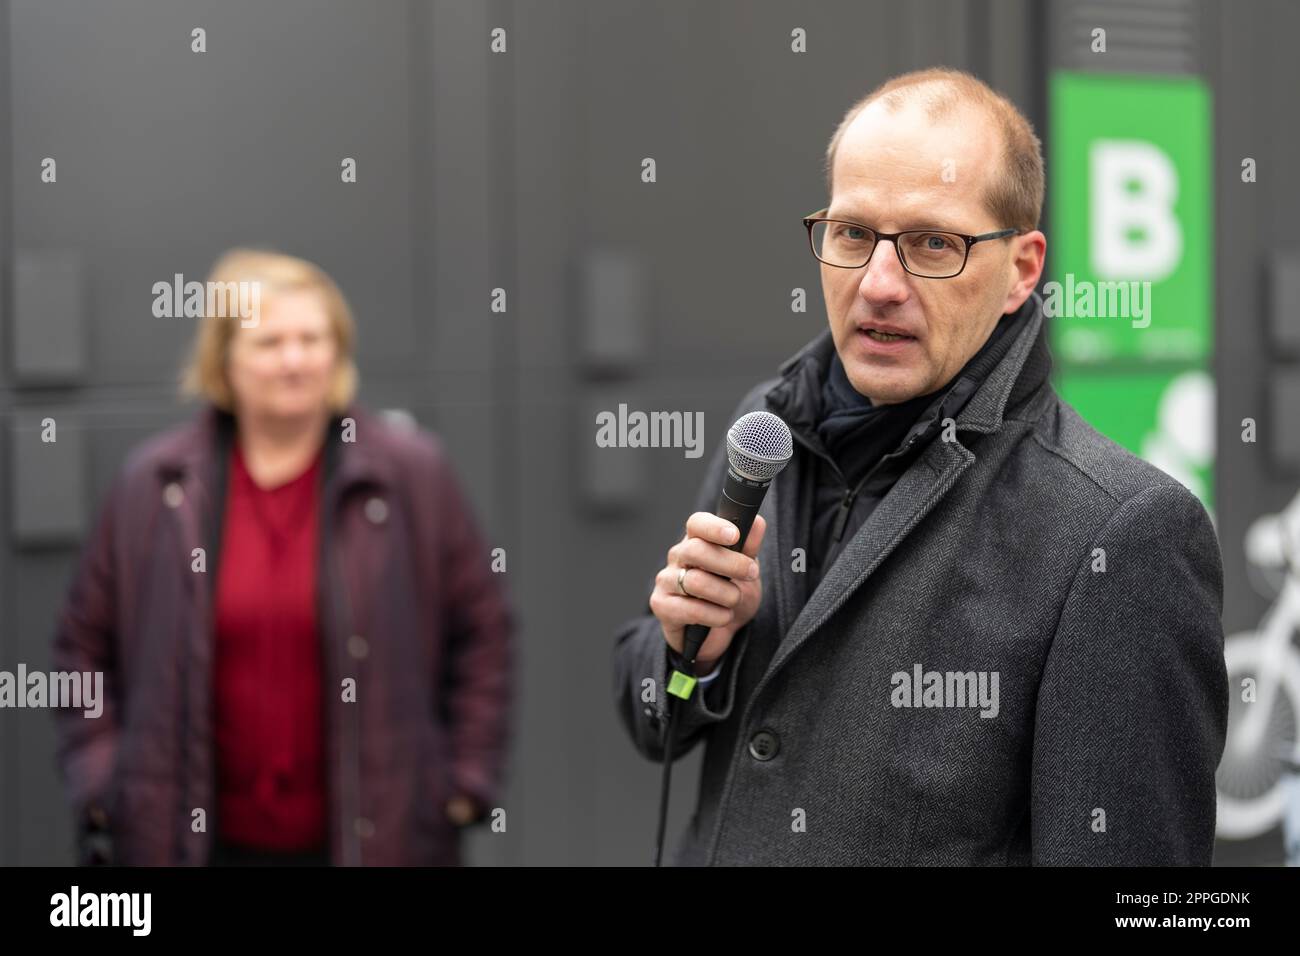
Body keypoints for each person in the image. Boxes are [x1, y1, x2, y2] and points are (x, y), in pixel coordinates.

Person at [613, 68, 1228, 865]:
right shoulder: (767, 427)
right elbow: (652, 720)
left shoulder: (1121, 533)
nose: (878, 285)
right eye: (852, 234)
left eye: (933, 243)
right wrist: (692, 655)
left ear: (1022, 269)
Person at [52, 248, 514, 865]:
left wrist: (462, 784)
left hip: (377, 839)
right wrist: (104, 782)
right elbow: (83, 644)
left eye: (313, 339)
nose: (295, 361)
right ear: (225, 360)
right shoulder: (156, 485)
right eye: (270, 342)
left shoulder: (410, 476)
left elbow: (483, 633)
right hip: (196, 844)